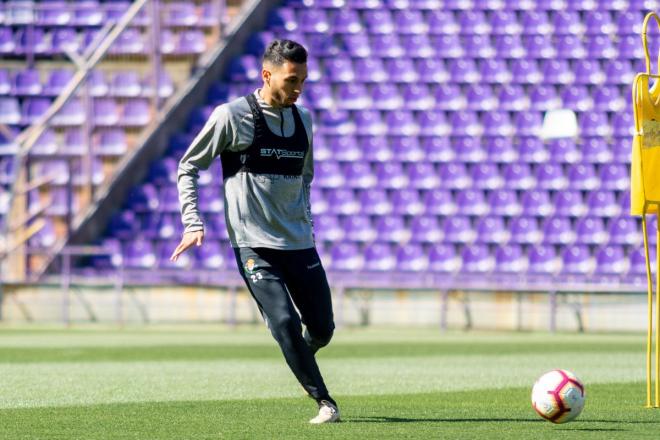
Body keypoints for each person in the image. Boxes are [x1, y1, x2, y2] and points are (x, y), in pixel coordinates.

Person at [170, 39, 340, 424]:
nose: (298, 89)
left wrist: (306, 224)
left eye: (303, 82)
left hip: (299, 243)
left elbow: (305, 179)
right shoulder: (231, 116)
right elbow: (188, 167)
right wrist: (193, 222)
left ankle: (298, 355)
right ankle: (325, 402)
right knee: (283, 322)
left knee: (323, 329)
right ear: (267, 75)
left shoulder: (304, 120)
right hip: (253, 245)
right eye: (291, 80)